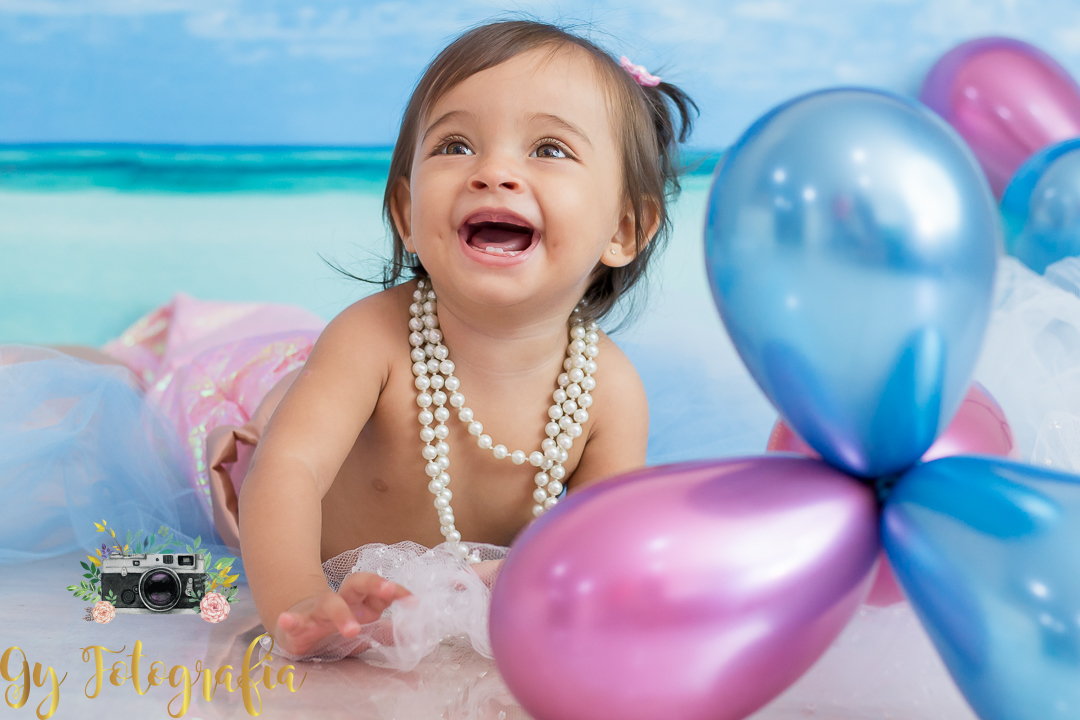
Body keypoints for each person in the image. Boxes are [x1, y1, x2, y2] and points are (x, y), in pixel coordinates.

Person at [0, 19, 696, 665]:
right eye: (456, 146)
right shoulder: (374, 337)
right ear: (405, 213)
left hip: (325, 377)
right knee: (133, 394)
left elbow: (606, 551)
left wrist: (498, 581)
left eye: (550, 149)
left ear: (623, 231)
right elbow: (288, 470)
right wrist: (299, 602)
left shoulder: (607, 390)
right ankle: (125, 353)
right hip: (246, 398)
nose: (494, 171)